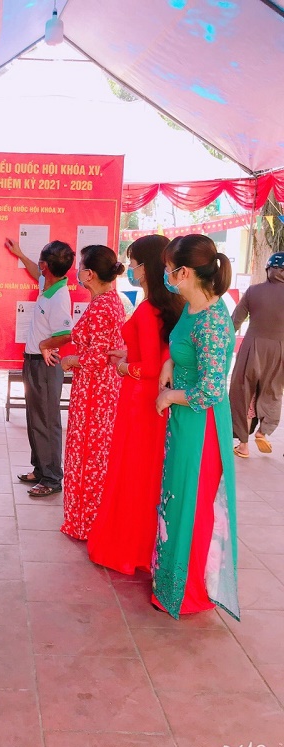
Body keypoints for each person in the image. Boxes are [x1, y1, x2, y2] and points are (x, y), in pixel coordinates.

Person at [154, 234, 239, 620]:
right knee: (175, 499)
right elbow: (183, 347)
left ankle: (187, 593)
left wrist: (170, 396)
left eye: (169, 270)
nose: (167, 275)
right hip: (184, 423)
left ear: (184, 272)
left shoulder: (214, 322)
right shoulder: (191, 307)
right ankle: (168, 584)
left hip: (202, 426)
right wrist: (170, 363)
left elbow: (210, 390)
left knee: (192, 504)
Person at [87, 235, 184, 573]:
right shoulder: (168, 306)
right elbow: (158, 354)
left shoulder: (147, 309)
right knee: (147, 476)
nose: (130, 268)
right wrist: (129, 354)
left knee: (132, 475)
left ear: (146, 267)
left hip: (140, 399)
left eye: (134, 262)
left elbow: (153, 367)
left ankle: (126, 549)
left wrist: (125, 367)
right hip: (153, 402)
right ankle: (143, 549)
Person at [56, 245, 125, 540]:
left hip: (95, 390)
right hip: (100, 387)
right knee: (95, 454)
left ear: (90, 274)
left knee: (88, 455)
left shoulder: (101, 306)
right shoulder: (110, 301)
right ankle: (90, 519)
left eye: (81, 266)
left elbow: (99, 356)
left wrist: (72, 360)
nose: (77, 272)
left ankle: (85, 522)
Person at [5, 237, 75, 497]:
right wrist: (21, 254)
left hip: (46, 365)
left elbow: (65, 334)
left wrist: (45, 344)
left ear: (46, 265)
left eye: (40, 262)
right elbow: (37, 273)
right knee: (35, 419)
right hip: (33, 362)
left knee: (46, 422)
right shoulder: (49, 284)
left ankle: (52, 478)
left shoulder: (59, 297)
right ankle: (40, 469)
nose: (39, 267)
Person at [230, 252, 284, 458]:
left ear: (268, 269)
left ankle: (243, 445)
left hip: (252, 349)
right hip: (280, 350)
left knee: (245, 393)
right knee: (273, 392)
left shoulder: (253, 291)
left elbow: (235, 321)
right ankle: (263, 431)